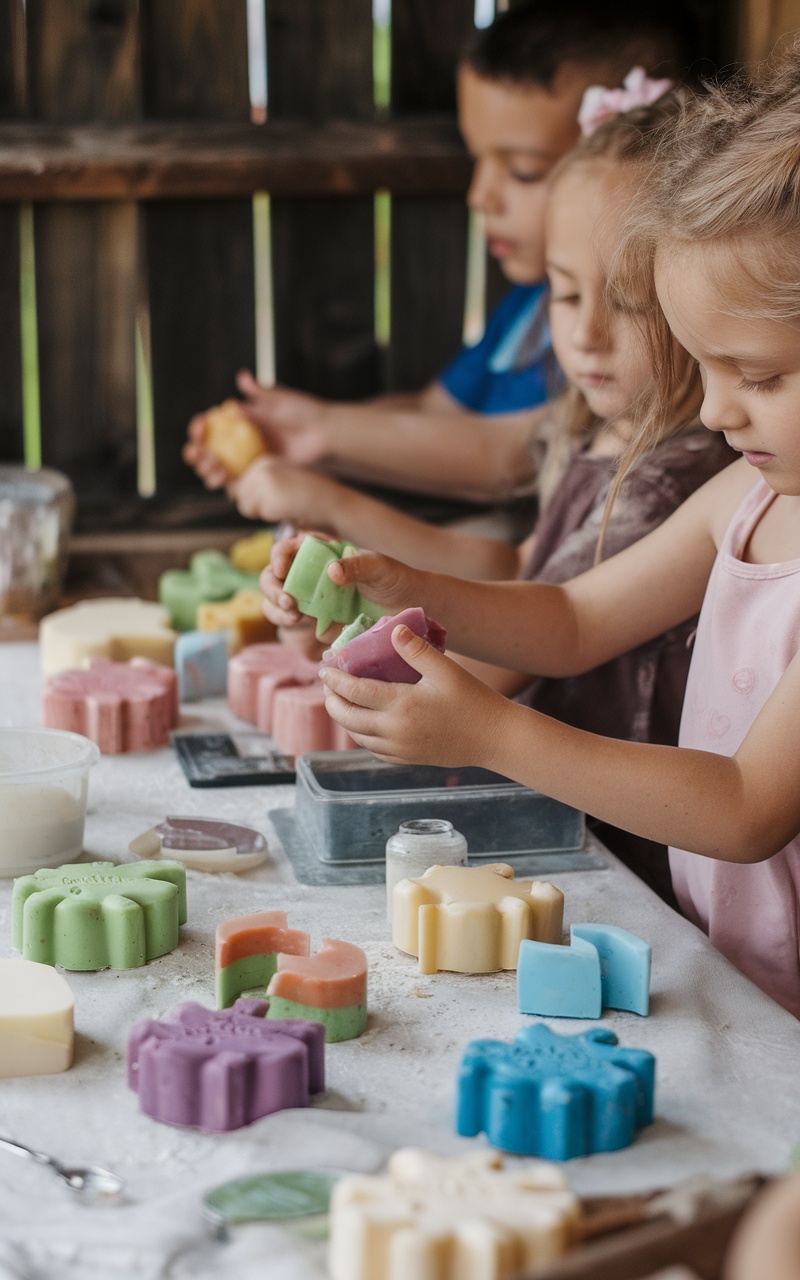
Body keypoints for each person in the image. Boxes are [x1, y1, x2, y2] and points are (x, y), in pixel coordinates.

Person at [316, 53, 800, 1019]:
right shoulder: (752, 501)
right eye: (703, 368)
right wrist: (398, 584)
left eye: (759, 375)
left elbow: (746, 808)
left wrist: (491, 732)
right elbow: (575, 619)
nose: (712, 412)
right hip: (739, 971)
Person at [263, 89, 733, 903]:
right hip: (550, 806)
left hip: (618, 840)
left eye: (629, 302)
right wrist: (367, 583)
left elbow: (544, 631)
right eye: (563, 291)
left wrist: (374, 651)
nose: (585, 335)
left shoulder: (677, 476)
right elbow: (521, 568)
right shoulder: (592, 420)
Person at [184, 0, 698, 519]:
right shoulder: (530, 309)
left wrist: (324, 433)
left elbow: (515, 456)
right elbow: (431, 412)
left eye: (522, 172)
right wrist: (297, 433)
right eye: (477, 159)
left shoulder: (620, 333)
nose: (480, 195)